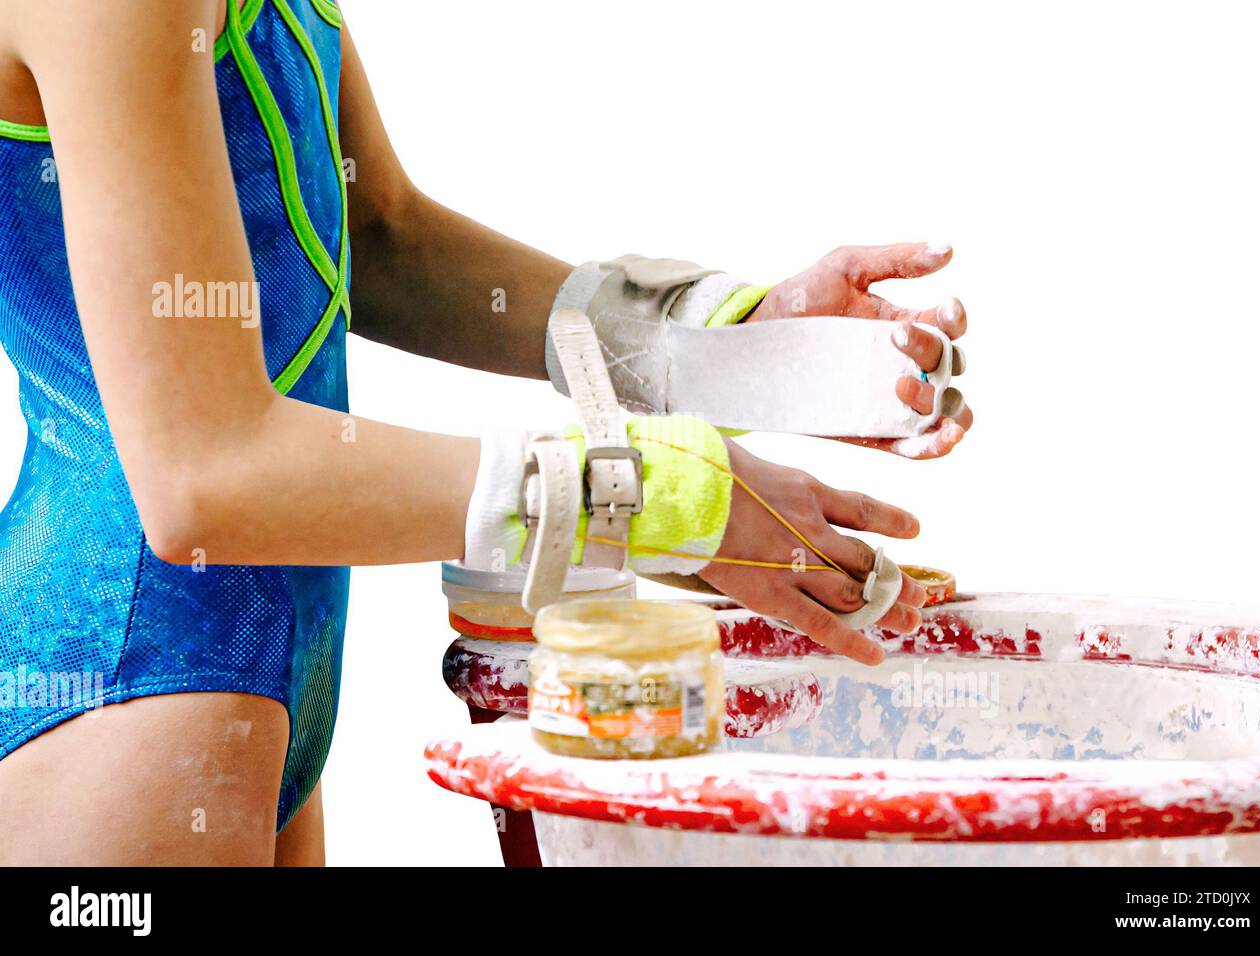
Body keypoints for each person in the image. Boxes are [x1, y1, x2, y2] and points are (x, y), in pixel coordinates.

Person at [0, 0, 971, 865]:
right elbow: (207, 477)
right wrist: (666, 497)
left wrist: (706, 345)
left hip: (263, 668)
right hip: (125, 678)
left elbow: (373, 235)